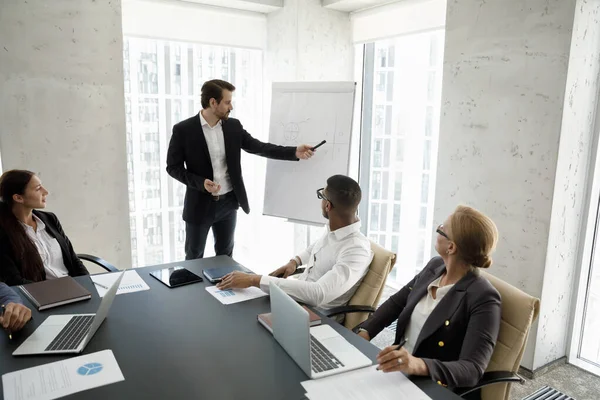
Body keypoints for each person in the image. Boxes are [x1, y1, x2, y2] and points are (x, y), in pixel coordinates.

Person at [355, 205, 501, 394]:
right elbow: (397, 303)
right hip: (398, 374)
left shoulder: (484, 298)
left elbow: (472, 369)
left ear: (451, 247)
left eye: (441, 228)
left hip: (432, 385)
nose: (437, 230)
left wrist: (417, 364)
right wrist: (364, 332)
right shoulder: (435, 266)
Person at [167, 79, 315, 260]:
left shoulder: (233, 126)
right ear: (213, 103)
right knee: (194, 258)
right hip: (199, 205)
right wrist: (200, 183)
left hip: (229, 203)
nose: (231, 107)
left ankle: (221, 289)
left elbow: (259, 147)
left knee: (225, 258)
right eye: (227, 102)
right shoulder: (184, 130)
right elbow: (173, 167)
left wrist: (294, 152)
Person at [217, 175, 372, 315]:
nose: (320, 200)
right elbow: (317, 247)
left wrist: (254, 280)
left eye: (321, 196)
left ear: (328, 206)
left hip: (315, 315)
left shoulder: (356, 250)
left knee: (240, 316)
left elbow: (318, 294)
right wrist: (294, 262)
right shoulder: (337, 228)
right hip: (297, 303)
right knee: (237, 307)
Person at [0, 170, 89, 285]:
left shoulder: (50, 219)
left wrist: (88, 284)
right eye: (38, 189)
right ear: (18, 198)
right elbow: (14, 280)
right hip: (40, 296)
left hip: (72, 288)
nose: (45, 192)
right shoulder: (3, 232)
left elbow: (74, 260)